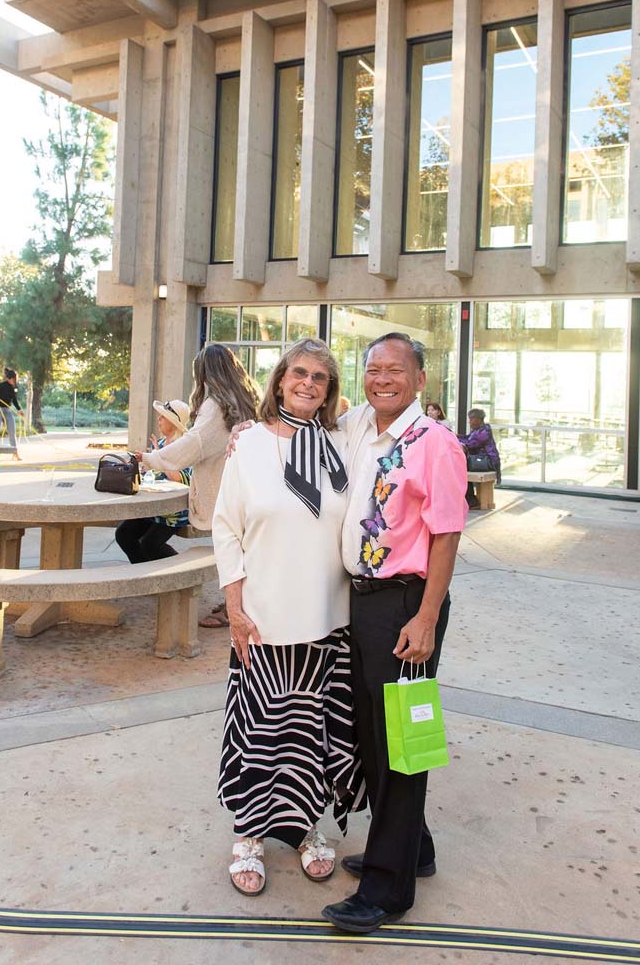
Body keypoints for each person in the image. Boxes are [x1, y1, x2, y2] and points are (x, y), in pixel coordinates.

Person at [321, 332, 467, 935]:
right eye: (373, 369)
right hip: (364, 604)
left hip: (407, 605)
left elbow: (447, 533)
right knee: (375, 738)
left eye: (395, 370)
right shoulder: (360, 428)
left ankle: (388, 888)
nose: (382, 379)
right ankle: (414, 848)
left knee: (401, 744)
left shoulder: (435, 442)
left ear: (420, 380)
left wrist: (427, 616)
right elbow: (305, 417)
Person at [212, 339, 364, 896]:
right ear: (278, 381)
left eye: (320, 377)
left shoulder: (340, 445)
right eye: (298, 373)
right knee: (259, 730)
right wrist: (233, 606)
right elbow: (225, 528)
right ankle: (249, 834)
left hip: (328, 618)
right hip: (264, 615)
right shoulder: (247, 444)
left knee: (312, 731)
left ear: (329, 391)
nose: (308, 383)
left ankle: (304, 827)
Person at [134, 344, 260, 628]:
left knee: (232, 552)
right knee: (244, 551)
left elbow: (194, 445)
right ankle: (240, 606)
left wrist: (153, 458)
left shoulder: (215, 406)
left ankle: (236, 610)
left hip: (226, 491)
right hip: (248, 488)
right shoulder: (247, 399)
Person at [115, 399, 192, 564]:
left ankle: (180, 570)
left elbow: (181, 479)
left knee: (149, 544)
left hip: (174, 511)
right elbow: (155, 474)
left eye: (162, 417)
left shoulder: (185, 446)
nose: (159, 420)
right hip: (154, 508)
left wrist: (158, 456)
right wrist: (144, 468)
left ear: (173, 421)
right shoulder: (163, 443)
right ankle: (144, 574)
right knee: (123, 534)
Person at [458, 407, 501, 509]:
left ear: (478, 419)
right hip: (480, 460)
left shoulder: (484, 431)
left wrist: (458, 440)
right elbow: (467, 438)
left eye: (471, 419)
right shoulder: (477, 430)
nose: (469, 422)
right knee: (460, 468)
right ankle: (469, 499)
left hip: (488, 461)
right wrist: (454, 436)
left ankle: (471, 500)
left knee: (462, 470)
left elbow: (471, 444)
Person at [0, 368, 22, 460]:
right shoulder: (1, 386)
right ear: (8, 378)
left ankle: (15, 453)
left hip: (7, 410)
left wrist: (19, 409)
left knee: (12, 431)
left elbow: (14, 400)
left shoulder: (15, 387)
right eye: (14, 379)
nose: (15, 381)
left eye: (16, 379)